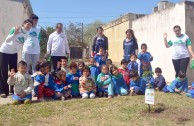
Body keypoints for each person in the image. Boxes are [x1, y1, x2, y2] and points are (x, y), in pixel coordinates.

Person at [0, 19, 33, 98]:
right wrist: (14, 34)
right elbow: (7, 40)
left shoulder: (27, 34)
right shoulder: (16, 29)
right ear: (24, 24)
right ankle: (3, 91)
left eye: (30, 25)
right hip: (4, 51)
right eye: (27, 24)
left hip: (14, 53)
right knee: (3, 71)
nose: (29, 26)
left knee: (14, 71)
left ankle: (13, 89)